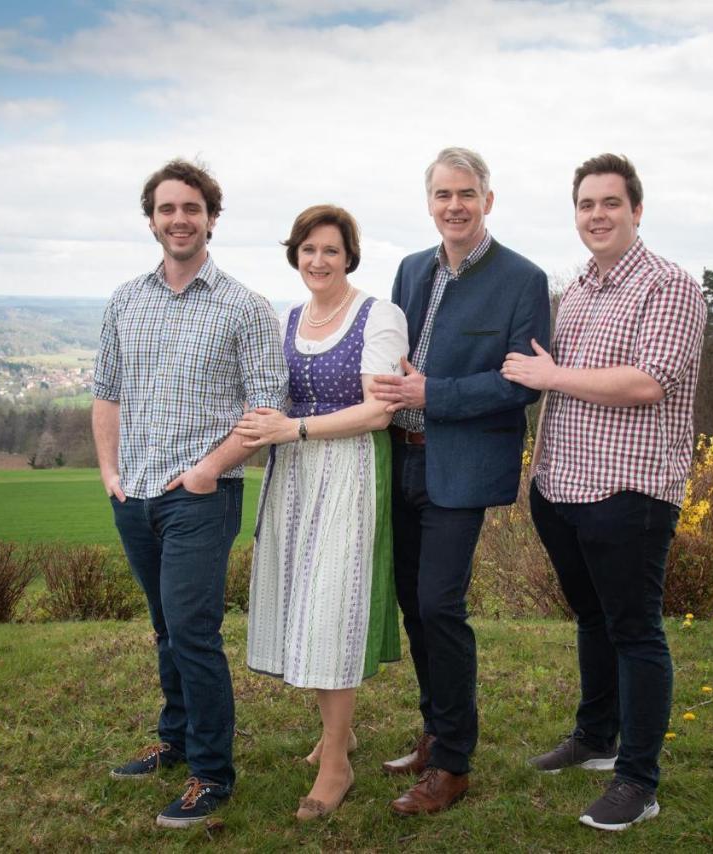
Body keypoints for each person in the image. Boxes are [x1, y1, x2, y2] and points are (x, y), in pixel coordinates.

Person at [501, 153, 706, 831]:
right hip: (560, 486)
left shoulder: (670, 287)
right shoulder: (580, 290)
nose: (597, 215)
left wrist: (553, 376)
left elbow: (649, 382)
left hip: (629, 489)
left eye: (611, 203)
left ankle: (638, 781)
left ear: (637, 209)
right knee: (592, 619)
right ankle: (595, 737)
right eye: (586, 204)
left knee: (635, 631)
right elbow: (541, 369)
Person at [91, 158, 286, 830]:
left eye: (192, 209)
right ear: (152, 218)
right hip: (134, 494)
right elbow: (106, 392)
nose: (180, 219)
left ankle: (211, 773)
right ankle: (173, 739)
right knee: (164, 628)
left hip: (201, 496)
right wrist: (108, 473)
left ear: (210, 219)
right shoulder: (124, 300)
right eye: (168, 208)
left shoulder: (244, 307)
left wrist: (209, 470)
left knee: (194, 634)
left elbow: (266, 408)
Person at [370, 147, 551, 815]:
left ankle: (454, 763)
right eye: (443, 194)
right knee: (414, 607)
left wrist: (433, 391)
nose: (455, 205)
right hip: (402, 457)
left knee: (441, 605)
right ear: (429, 202)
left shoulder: (522, 279)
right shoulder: (411, 269)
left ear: (488, 201)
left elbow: (520, 384)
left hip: (463, 467)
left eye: (467, 193)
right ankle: (435, 729)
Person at [236, 204, 408, 821]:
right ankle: (341, 734)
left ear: (349, 256)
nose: (318, 260)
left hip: (351, 471)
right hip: (295, 475)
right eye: (308, 249)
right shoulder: (290, 318)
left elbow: (376, 412)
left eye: (330, 250)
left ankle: (337, 762)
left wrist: (296, 428)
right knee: (299, 602)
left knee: (330, 607)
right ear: (295, 255)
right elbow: (271, 401)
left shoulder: (378, 316)